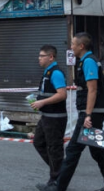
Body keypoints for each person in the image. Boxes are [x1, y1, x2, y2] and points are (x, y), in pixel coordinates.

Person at [40, 33, 104, 191]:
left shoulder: (89, 61)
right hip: (94, 112)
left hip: (92, 113)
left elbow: (92, 90)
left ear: (81, 46)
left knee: (73, 150)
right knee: (98, 151)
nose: (71, 47)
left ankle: (58, 186)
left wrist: (88, 115)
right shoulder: (85, 61)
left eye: (73, 44)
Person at [30, 45, 67, 190]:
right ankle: (60, 172)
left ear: (51, 57)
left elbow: (62, 94)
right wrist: (37, 101)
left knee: (54, 148)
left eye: (41, 56)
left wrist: (42, 102)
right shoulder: (47, 72)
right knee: (39, 142)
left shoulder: (56, 73)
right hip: (46, 116)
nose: (39, 59)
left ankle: (56, 180)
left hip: (55, 118)